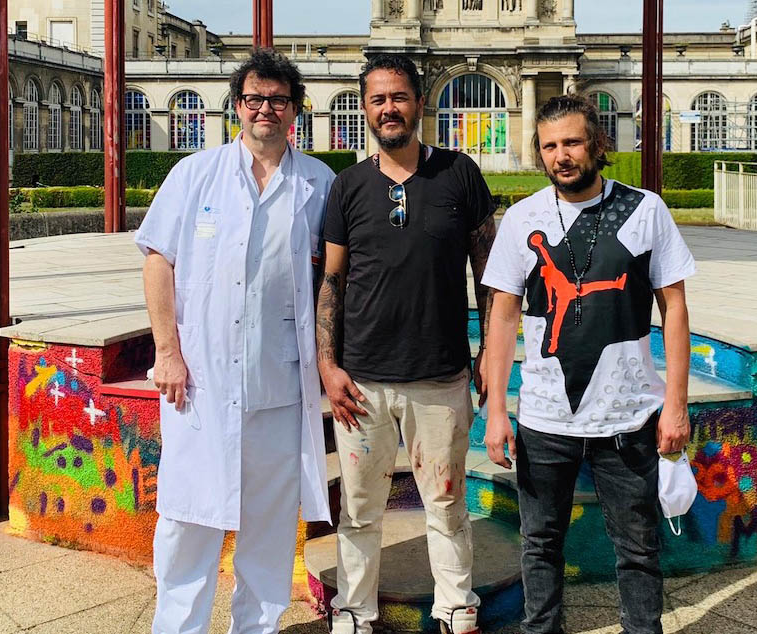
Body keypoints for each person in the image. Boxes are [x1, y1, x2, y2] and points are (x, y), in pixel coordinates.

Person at [135, 49, 334, 633]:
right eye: (253, 99)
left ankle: (257, 627)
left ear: (294, 109)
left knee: (270, 525)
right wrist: (166, 351)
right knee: (186, 521)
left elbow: (334, 275)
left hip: (278, 382)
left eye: (277, 100)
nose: (264, 110)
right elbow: (157, 260)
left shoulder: (318, 183)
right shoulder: (195, 175)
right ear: (236, 108)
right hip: (199, 380)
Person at [482, 93, 696, 634]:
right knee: (540, 545)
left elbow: (674, 308)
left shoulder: (645, 210)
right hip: (545, 418)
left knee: (638, 549)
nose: (562, 155)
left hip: (627, 418)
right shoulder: (522, 220)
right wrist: (498, 410)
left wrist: (675, 404)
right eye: (550, 145)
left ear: (598, 144)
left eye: (573, 142)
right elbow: (502, 319)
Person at [315, 53, 496, 634]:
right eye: (377, 99)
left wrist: (490, 352)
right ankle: (355, 609)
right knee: (361, 509)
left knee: (444, 501)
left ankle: (455, 603)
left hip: (439, 375)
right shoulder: (348, 186)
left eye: (398, 97)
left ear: (419, 103)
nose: (388, 108)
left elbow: (486, 270)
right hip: (362, 380)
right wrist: (327, 363)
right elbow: (333, 282)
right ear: (365, 108)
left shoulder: (459, 174)